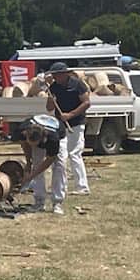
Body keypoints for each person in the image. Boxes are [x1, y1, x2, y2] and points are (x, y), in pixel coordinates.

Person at [45, 62, 91, 197]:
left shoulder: (78, 84)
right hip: (60, 126)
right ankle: (61, 188)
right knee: (61, 156)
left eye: (58, 75)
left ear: (65, 74)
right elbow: (49, 108)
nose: (56, 78)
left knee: (75, 153)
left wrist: (70, 115)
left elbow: (86, 103)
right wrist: (51, 99)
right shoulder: (53, 87)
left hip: (76, 123)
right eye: (54, 75)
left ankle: (82, 187)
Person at [14, 114, 65, 212]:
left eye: (35, 144)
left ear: (42, 139)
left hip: (60, 136)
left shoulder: (53, 138)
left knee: (59, 167)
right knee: (36, 164)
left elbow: (50, 159)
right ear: (26, 134)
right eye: (30, 143)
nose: (32, 145)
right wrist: (29, 163)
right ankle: (39, 201)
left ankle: (57, 202)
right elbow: (25, 145)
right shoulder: (22, 130)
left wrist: (31, 176)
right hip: (36, 137)